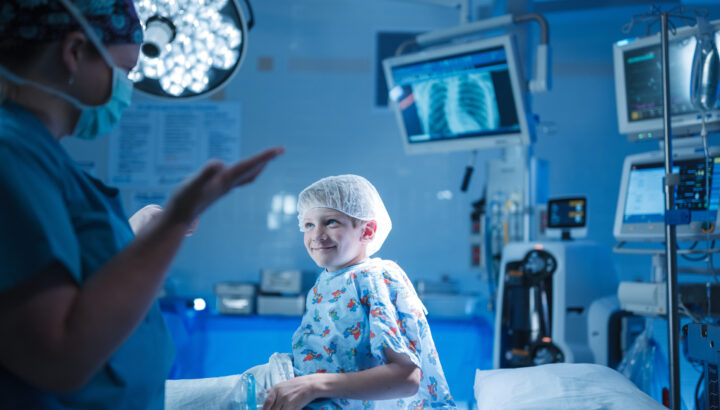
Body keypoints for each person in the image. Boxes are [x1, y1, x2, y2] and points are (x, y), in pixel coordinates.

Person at [0, 0, 283, 408]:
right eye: (126, 71)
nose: (127, 90)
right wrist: (173, 226)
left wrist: (138, 236)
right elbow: (58, 357)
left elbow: (68, 269)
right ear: (74, 52)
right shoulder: (13, 153)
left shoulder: (43, 157)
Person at [262, 175, 456, 409]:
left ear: (368, 231)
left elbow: (406, 378)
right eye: (309, 224)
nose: (317, 235)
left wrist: (313, 385)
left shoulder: (373, 277)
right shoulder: (324, 282)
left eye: (331, 222)